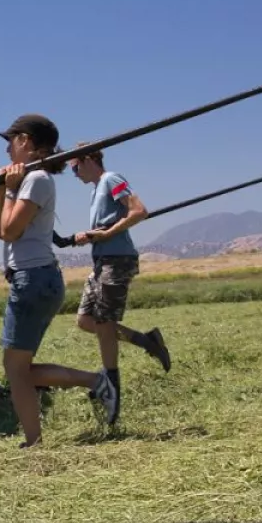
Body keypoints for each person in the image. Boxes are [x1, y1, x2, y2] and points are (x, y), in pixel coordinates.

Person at [0, 114, 120, 446]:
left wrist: (10, 190)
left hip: (33, 279)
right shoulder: (26, 181)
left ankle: (34, 442)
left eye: (11, 140)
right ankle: (96, 382)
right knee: (18, 369)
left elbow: (10, 230)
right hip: (34, 279)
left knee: (15, 369)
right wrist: (1, 189)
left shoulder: (37, 180)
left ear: (26, 141)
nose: (7, 149)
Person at [68, 144, 172, 425]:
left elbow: (139, 211)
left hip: (117, 260)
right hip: (101, 260)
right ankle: (147, 341)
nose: (74, 174)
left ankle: (111, 385)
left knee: (104, 324)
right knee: (85, 321)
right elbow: (107, 226)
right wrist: (91, 235)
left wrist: (108, 233)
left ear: (88, 159)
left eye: (75, 167)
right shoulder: (96, 190)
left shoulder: (112, 179)